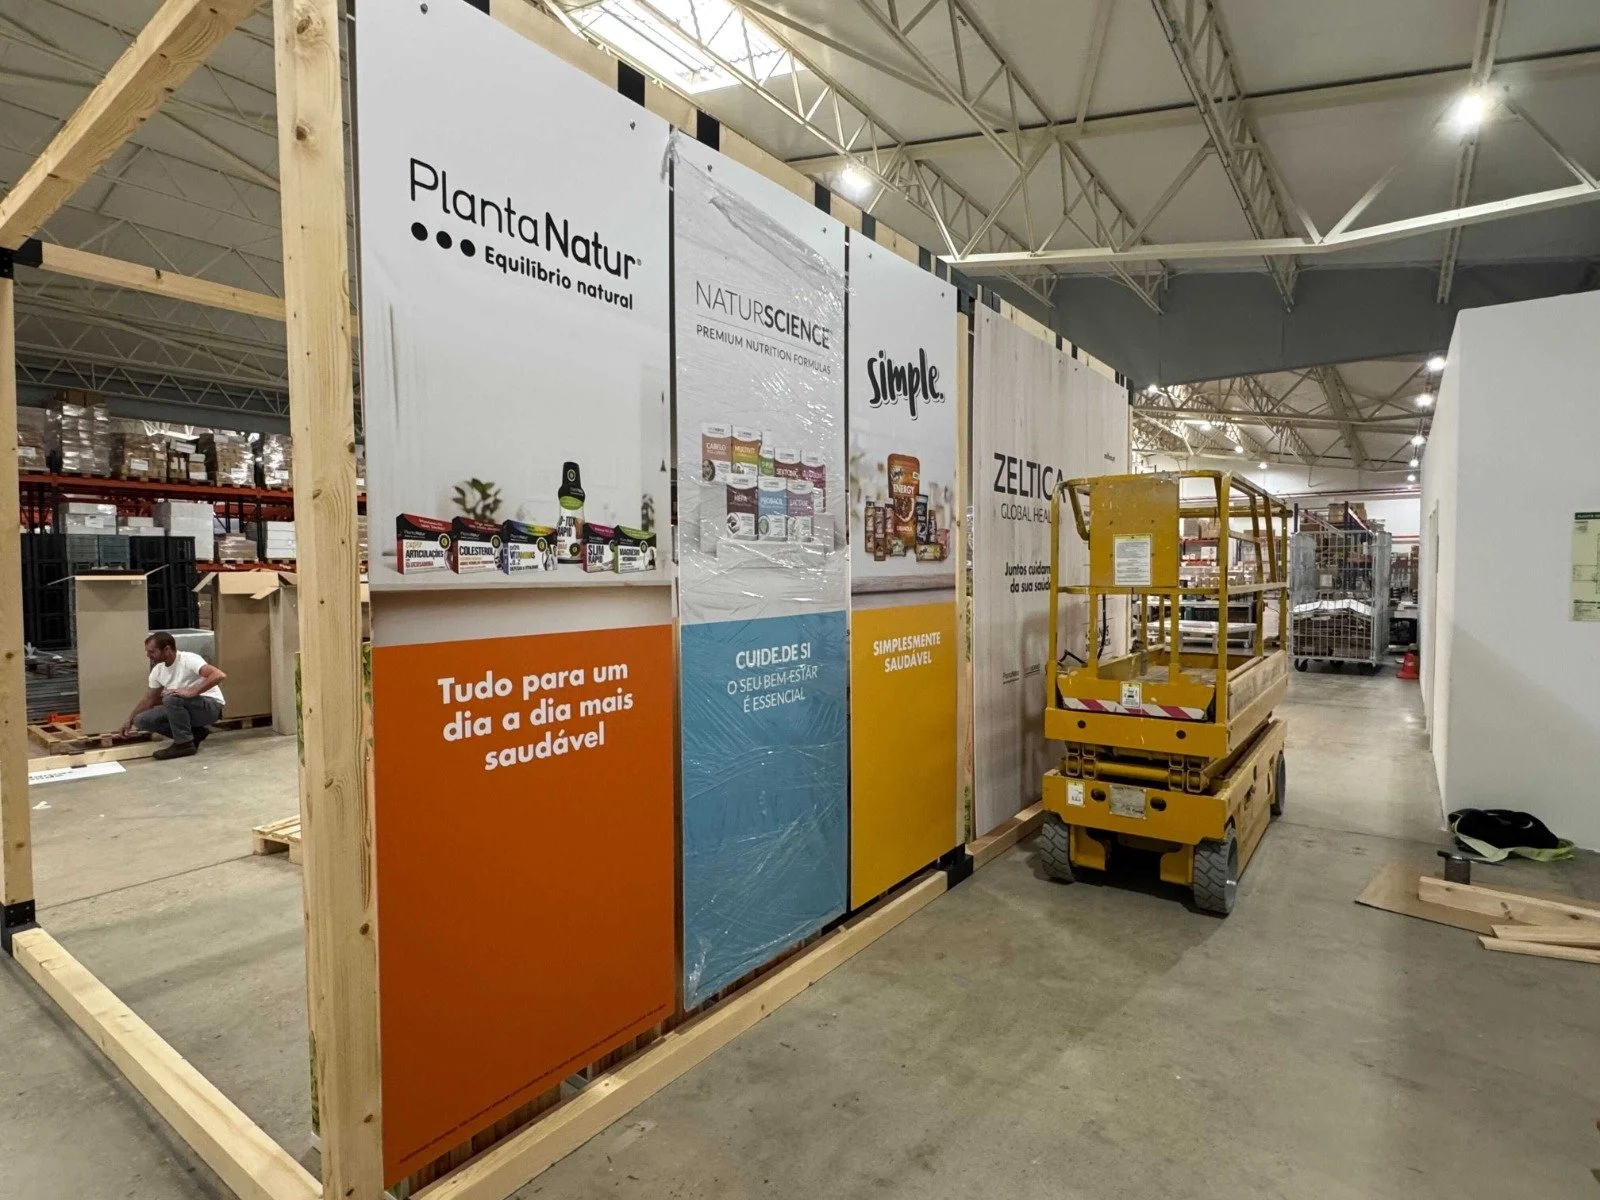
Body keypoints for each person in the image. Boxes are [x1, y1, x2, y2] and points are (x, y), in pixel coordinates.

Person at [121, 632, 227, 760]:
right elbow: (149, 700)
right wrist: (129, 719)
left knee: (171, 698)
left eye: (152, 652)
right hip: (185, 708)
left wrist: (192, 691)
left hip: (210, 707)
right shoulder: (158, 671)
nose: (148, 656)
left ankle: (184, 744)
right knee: (141, 719)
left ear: (167, 649)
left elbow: (218, 675)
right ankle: (194, 734)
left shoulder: (188, 659)